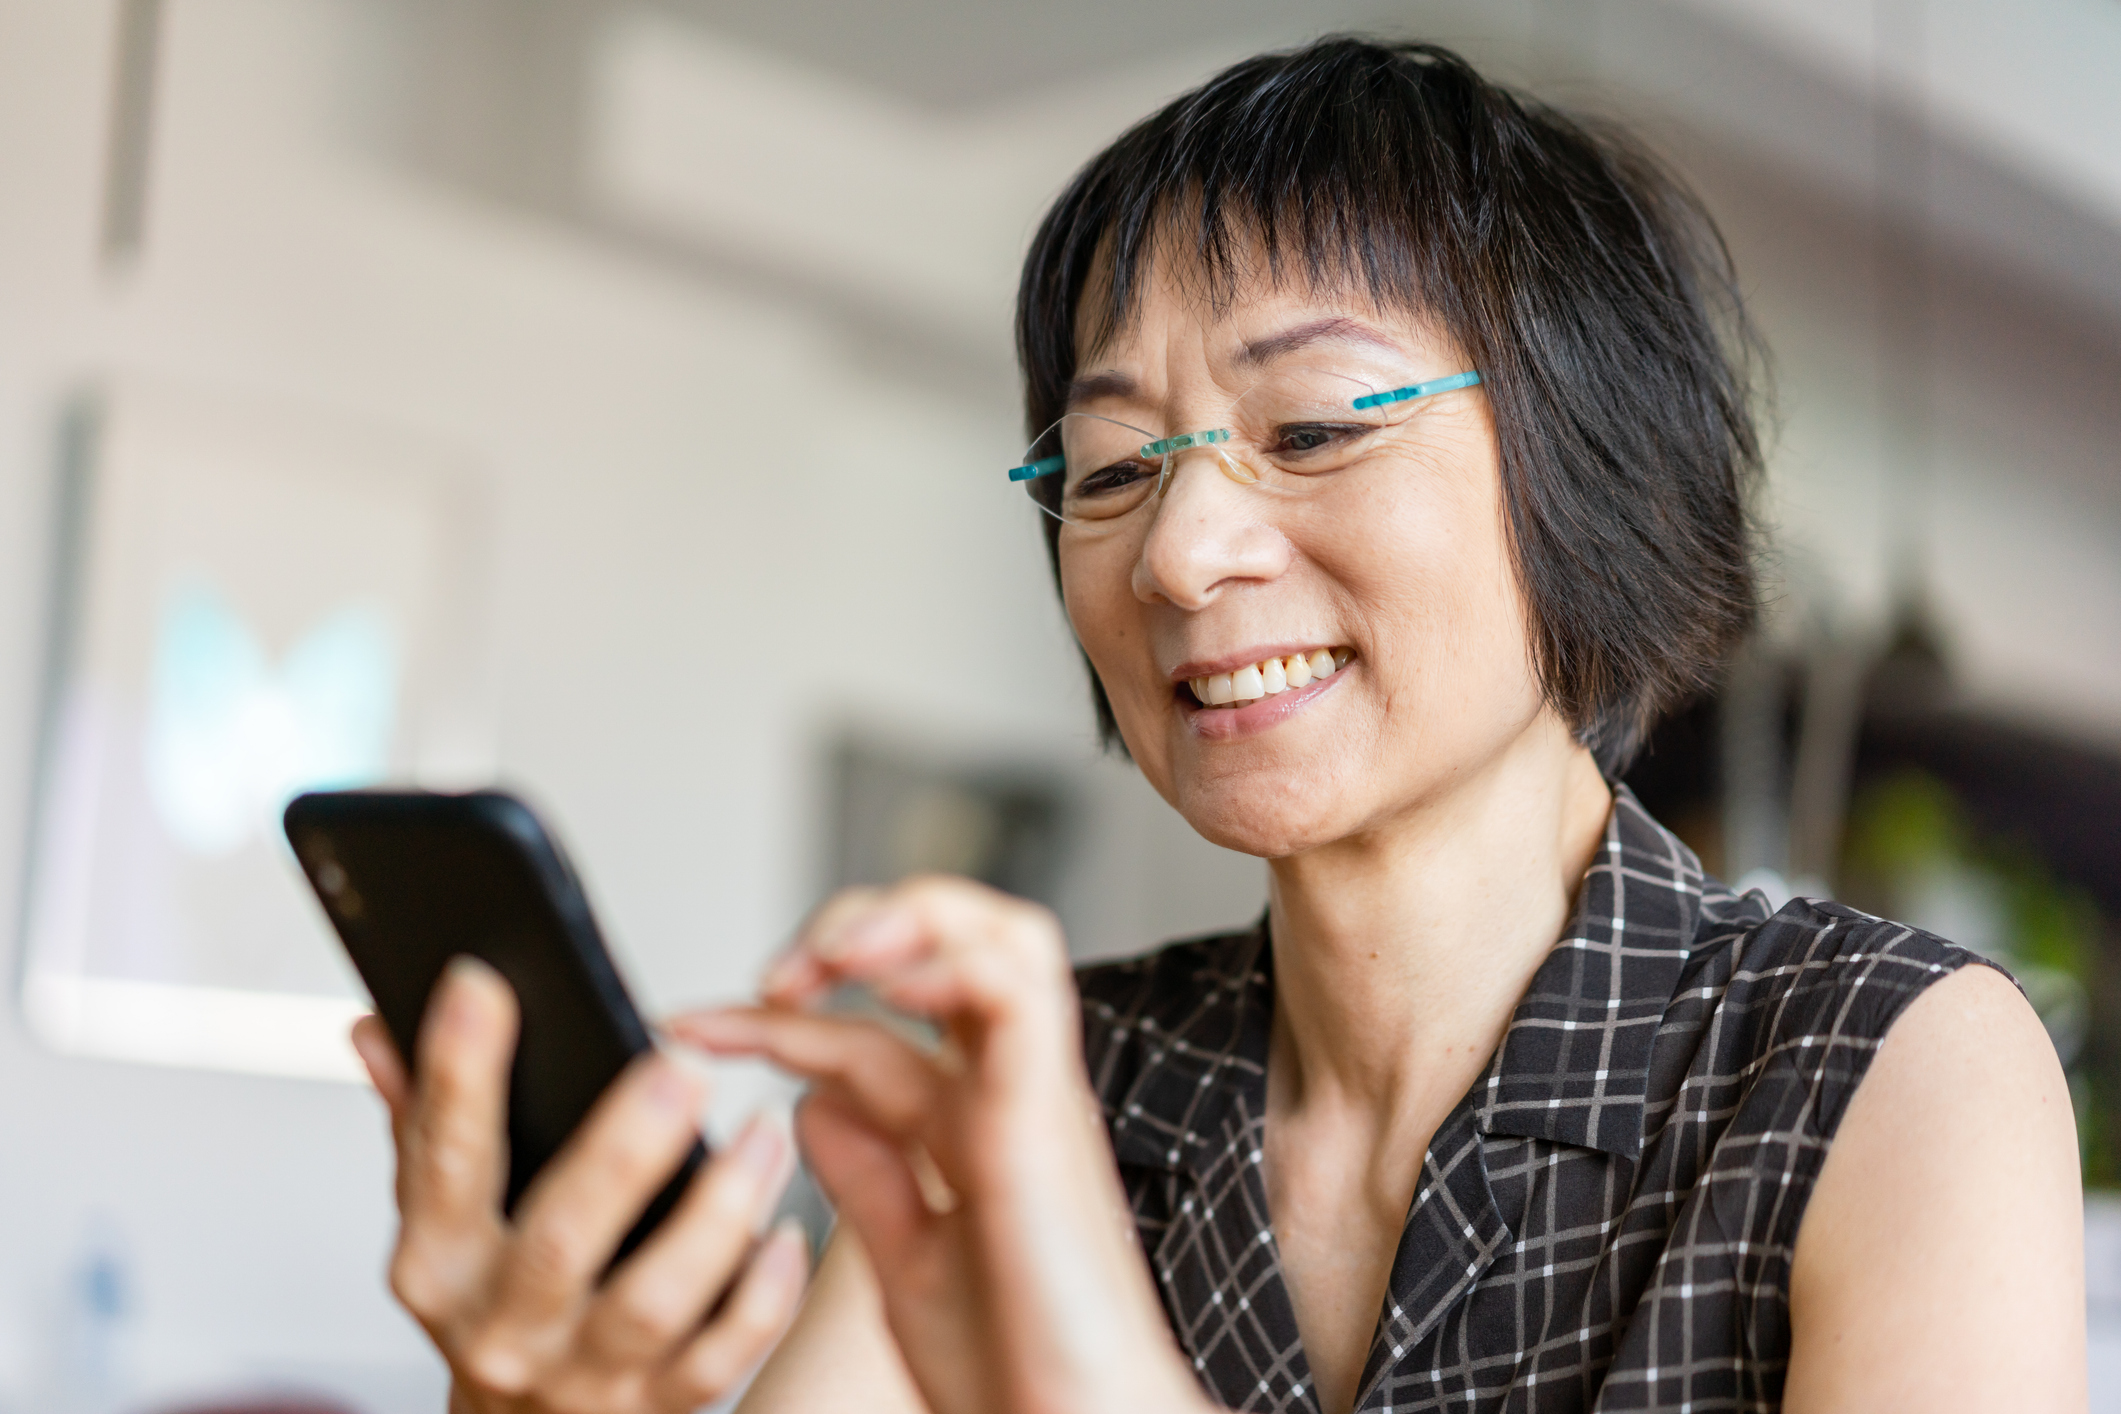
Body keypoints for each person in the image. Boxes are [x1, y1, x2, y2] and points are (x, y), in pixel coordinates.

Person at [349, 37, 2085, 1414]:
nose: (1177, 554)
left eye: (1314, 427)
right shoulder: (1049, 1090)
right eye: (1108, 469)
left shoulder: (1882, 1066)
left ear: (1593, 470)